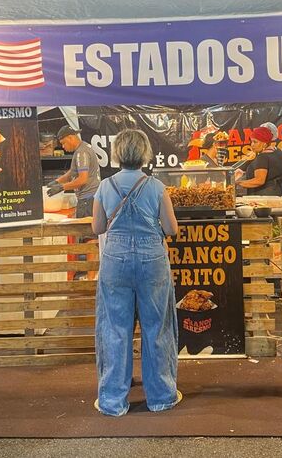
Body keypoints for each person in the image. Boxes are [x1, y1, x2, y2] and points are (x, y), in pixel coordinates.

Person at [92, 128, 181, 416]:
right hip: (151, 259)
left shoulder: (105, 186)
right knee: (157, 327)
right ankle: (161, 397)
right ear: (145, 154)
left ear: (117, 153)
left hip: (115, 260)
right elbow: (171, 229)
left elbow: (98, 227)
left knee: (115, 329)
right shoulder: (156, 187)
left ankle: (112, 401)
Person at [48, 125, 101, 218]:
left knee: (84, 231)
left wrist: (62, 187)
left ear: (70, 138)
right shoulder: (84, 147)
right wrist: (57, 181)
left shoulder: (81, 152)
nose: (63, 147)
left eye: (63, 143)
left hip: (87, 200)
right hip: (91, 198)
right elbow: (73, 171)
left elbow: (82, 180)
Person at [235, 126, 282, 196]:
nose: (252, 145)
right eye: (251, 141)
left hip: (264, 195)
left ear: (264, 143)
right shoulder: (279, 152)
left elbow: (259, 180)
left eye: (255, 142)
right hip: (280, 191)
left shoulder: (262, 157)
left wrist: (237, 183)